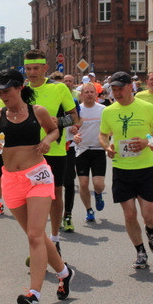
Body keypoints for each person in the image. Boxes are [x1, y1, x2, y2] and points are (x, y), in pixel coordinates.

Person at [0, 69, 74, 304]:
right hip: (12, 181)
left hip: (38, 176)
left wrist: (48, 140)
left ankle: (34, 293)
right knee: (36, 235)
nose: (3, 95)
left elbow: (54, 129)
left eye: (7, 90)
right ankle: (64, 272)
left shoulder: (36, 111)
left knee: (34, 235)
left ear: (19, 88)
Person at [99, 71, 153, 269]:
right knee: (129, 214)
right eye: (114, 89)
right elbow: (103, 134)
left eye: (120, 89)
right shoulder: (109, 111)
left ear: (130, 87)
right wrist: (107, 146)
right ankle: (140, 252)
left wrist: (147, 142)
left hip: (145, 168)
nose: (117, 93)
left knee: (149, 215)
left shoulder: (147, 108)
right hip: (121, 168)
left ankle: (151, 230)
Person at [23, 50, 79, 256]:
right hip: (29, 153)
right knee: (31, 200)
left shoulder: (59, 88)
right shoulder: (22, 90)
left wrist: (59, 121)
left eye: (36, 68)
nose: (32, 73)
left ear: (45, 68)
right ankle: (37, 243)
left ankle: (55, 239)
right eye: (28, 69)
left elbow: (75, 118)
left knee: (55, 196)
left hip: (55, 151)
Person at [72, 82, 106, 222]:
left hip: (98, 150)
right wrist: (74, 135)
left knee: (98, 184)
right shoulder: (77, 111)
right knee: (83, 184)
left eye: (92, 92)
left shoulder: (103, 109)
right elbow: (70, 130)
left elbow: (109, 128)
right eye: (87, 92)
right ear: (82, 95)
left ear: (96, 94)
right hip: (82, 150)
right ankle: (89, 210)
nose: (89, 94)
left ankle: (98, 194)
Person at [58, 73, 81, 232]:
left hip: (68, 147)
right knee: (52, 185)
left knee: (68, 183)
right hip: (50, 148)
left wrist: (75, 127)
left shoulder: (72, 102)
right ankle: (56, 213)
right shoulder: (45, 103)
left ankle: (68, 215)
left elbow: (78, 119)